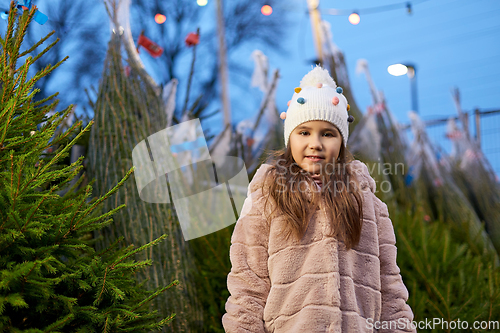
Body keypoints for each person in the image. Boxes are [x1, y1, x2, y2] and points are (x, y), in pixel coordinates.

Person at [222, 66, 416, 333]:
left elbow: (390, 286)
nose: (315, 143)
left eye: (327, 133)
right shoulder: (267, 197)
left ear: (341, 141)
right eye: (304, 132)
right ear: (290, 138)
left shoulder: (368, 203)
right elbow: (248, 285)